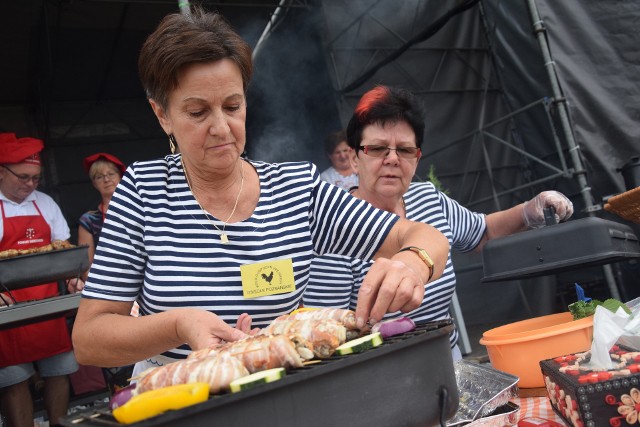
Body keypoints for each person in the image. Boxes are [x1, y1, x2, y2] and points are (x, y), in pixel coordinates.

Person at [71, 8, 450, 375]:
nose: (221, 127)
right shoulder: (143, 191)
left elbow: (422, 236)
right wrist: (177, 325)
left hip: (275, 388)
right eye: (198, 112)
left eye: (232, 106)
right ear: (162, 115)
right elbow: (89, 338)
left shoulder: (295, 190)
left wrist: (412, 264)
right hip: (177, 390)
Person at [304, 85, 574, 360]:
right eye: (378, 149)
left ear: (417, 158)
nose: (393, 159)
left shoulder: (428, 200)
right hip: (378, 374)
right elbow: (326, 328)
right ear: (354, 158)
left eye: (405, 150)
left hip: (448, 360)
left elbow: (483, 231)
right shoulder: (335, 223)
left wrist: (529, 211)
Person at [0, 133, 78, 427]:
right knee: (13, 378)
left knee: (59, 370)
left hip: (47, 307)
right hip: (7, 313)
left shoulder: (44, 204)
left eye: (36, 178)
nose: (30, 184)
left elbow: (64, 251)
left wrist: (73, 278)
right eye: (23, 177)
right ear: (0, 171)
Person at [75, 153, 126, 283]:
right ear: (94, 184)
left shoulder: (140, 210)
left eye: (111, 174)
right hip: (108, 285)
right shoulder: (89, 220)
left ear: (121, 177)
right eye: (99, 177)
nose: (106, 179)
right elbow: (87, 267)